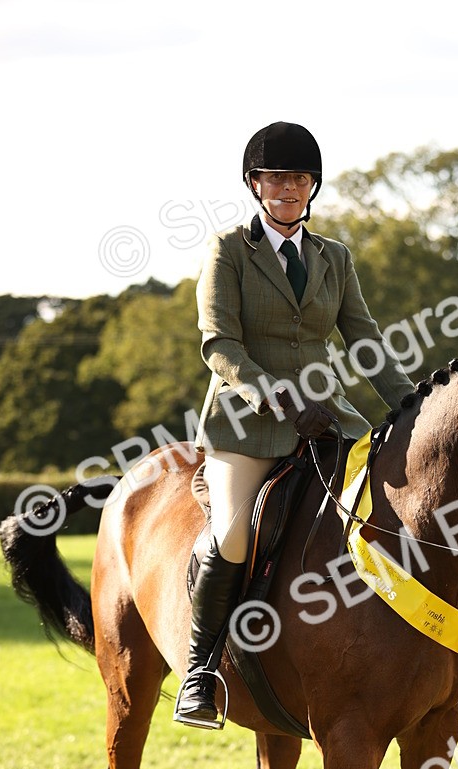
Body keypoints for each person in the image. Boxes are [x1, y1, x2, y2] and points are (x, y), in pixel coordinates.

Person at [174, 121, 416, 727]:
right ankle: (201, 672)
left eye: (299, 177)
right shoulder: (230, 249)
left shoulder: (334, 258)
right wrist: (274, 395)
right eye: (275, 177)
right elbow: (219, 343)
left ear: (313, 187)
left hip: (327, 419)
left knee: (398, 505)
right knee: (232, 536)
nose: (287, 187)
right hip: (247, 424)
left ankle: (422, 642)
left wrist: (412, 405)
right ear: (255, 184)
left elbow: (363, 339)